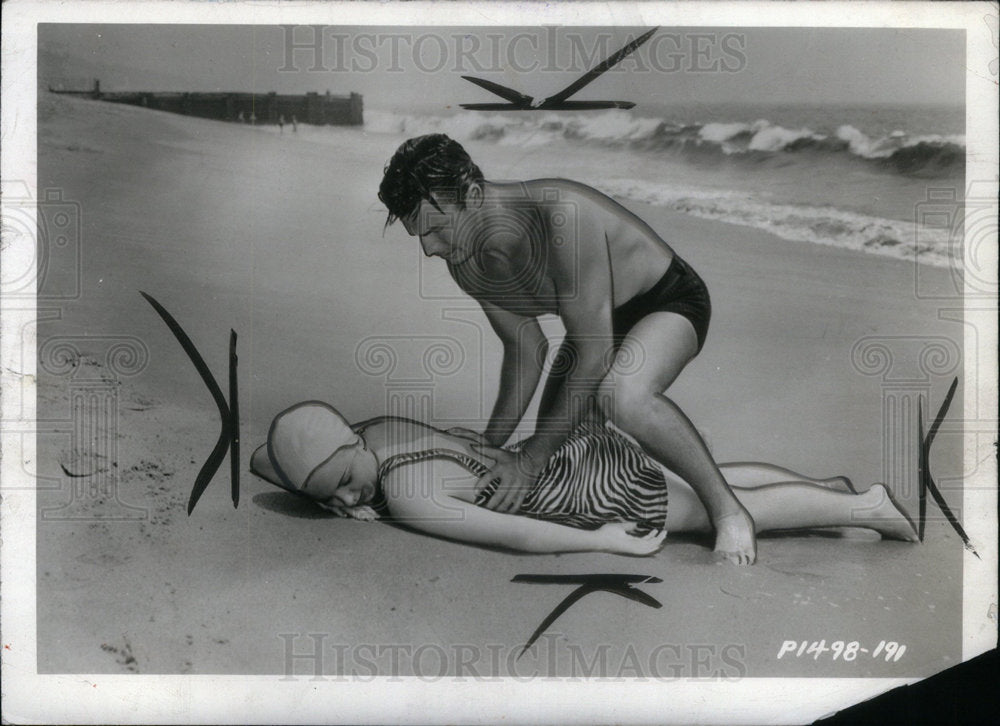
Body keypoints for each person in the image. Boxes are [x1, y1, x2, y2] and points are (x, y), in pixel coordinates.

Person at [378, 134, 757, 563]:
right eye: (418, 235)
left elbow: (595, 355)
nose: (429, 248)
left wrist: (529, 460)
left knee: (622, 396)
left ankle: (731, 512)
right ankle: (701, 461)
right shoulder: (465, 260)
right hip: (594, 331)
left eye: (434, 227)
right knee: (582, 464)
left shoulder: (560, 216)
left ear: (473, 194)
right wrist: (490, 446)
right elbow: (526, 349)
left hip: (667, 302)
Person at [249, 402, 918, 556]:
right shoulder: (375, 433)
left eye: (340, 479)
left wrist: (611, 543)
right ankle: (825, 492)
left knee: (722, 510)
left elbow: (513, 536)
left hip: (581, 496)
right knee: (714, 479)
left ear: (346, 444)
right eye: (326, 495)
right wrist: (331, 495)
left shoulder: (410, 495)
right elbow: (274, 457)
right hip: (569, 452)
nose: (343, 496)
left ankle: (865, 507)